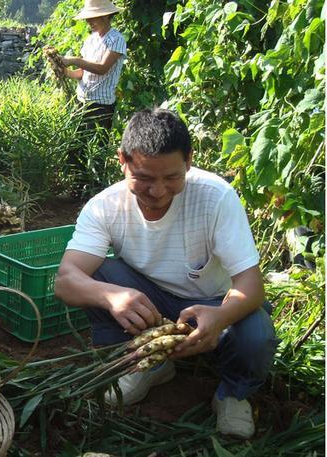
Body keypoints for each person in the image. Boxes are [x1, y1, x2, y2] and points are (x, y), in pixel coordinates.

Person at [54, 108, 279, 439]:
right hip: (152, 300)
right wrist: (111, 295)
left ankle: (233, 393)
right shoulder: (105, 206)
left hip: (212, 303)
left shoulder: (216, 197)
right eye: (144, 178)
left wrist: (219, 316)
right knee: (98, 274)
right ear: (123, 160)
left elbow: (251, 285)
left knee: (256, 334)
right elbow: (66, 279)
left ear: (189, 160)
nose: (158, 192)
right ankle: (147, 365)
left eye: (172, 178)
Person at [61, 0, 127, 192]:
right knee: (76, 148)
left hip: (101, 104)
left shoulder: (116, 39)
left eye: (94, 17)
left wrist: (73, 59)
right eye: (88, 18)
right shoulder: (90, 40)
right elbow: (81, 74)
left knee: (95, 150)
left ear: (106, 16)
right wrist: (62, 69)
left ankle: (94, 190)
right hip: (82, 101)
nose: (90, 22)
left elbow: (102, 68)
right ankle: (77, 190)